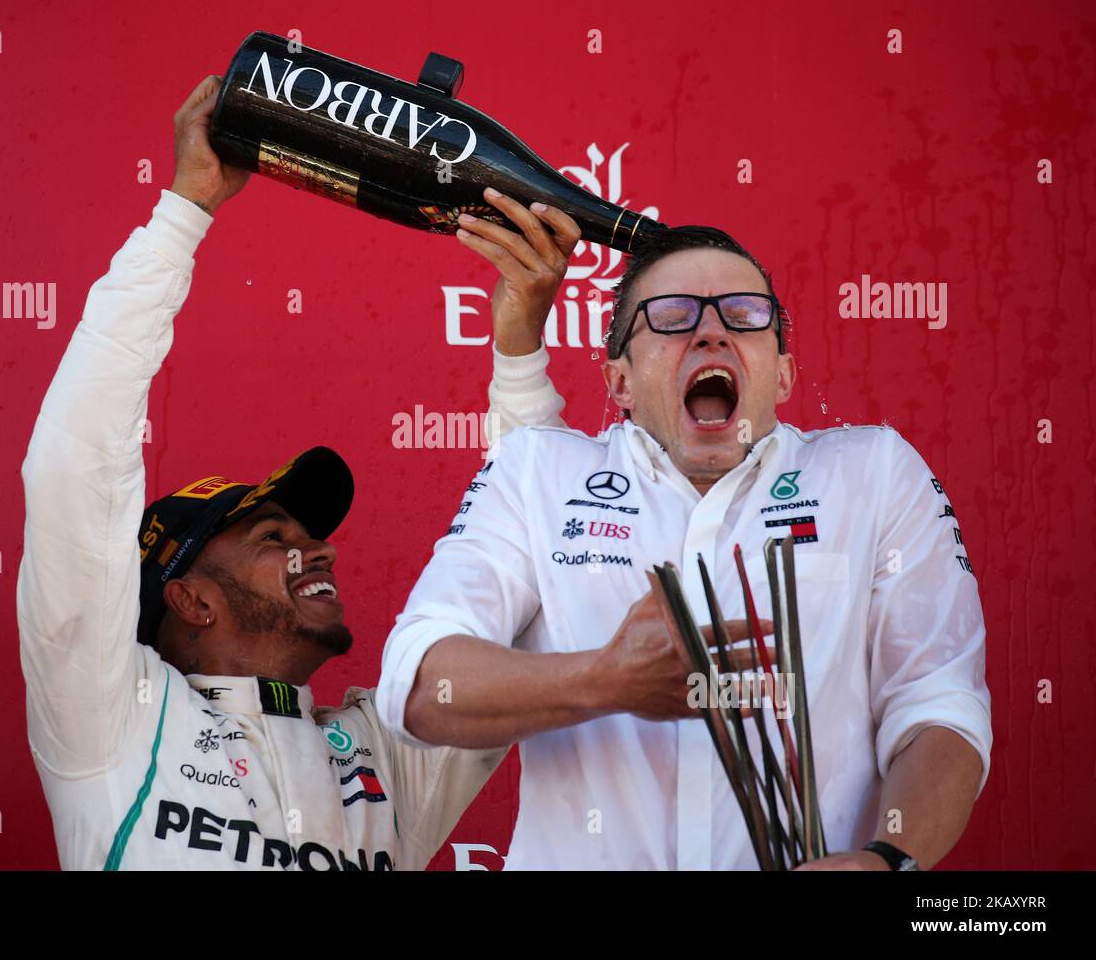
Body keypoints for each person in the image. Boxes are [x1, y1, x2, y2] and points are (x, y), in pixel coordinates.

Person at [15, 76, 579, 871]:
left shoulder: (389, 754)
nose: (320, 550)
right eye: (272, 535)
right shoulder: (111, 717)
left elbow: (539, 585)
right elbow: (76, 466)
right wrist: (183, 213)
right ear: (191, 598)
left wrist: (519, 347)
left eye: (307, 534)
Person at [377, 216, 992, 871]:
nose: (711, 330)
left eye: (746, 314)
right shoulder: (537, 473)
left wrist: (889, 860)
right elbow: (418, 686)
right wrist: (603, 680)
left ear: (783, 375)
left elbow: (938, 707)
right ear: (620, 383)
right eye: (670, 316)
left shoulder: (874, 471)